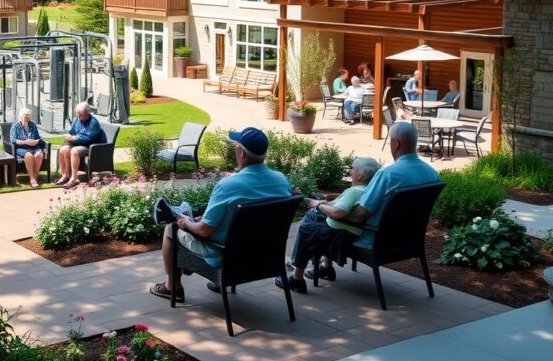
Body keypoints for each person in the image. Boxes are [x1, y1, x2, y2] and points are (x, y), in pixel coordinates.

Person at [149, 127, 292, 301]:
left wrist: (186, 222)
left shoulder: (228, 186)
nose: (234, 149)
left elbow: (204, 231)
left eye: (236, 145)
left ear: (242, 153)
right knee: (218, 224)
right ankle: (215, 282)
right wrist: (197, 219)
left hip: (225, 257)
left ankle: (173, 287)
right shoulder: (281, 180)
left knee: (171, 230)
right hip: (266, 255)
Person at [308, 122, 440, 251]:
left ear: (396, 143)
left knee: (313, 221)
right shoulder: (432, 174)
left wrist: (336, 213)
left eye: (390, 142)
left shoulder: (386, 175)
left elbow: (360, 215)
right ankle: (325, 264)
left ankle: (314, 267)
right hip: (409, 238)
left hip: (375, 239)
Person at [276, 157, 381, 294]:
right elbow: (338, 205)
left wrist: (318, 205)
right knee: (313, 217)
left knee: (306, 228)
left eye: (352, 168)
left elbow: (337, 212)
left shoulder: (354, 192)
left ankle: (297, 279)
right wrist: (318, 203)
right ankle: (326, 268)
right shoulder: (370, 191)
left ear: (360, 175)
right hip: (354, 231)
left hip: (341, 234)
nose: (350, 171)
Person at [55, 102, 107, 188]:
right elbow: (72, 132)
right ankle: (65, 176)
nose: (79, 117)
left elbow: (88, 138)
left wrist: (75, 138)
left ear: (88, 112)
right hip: (81, 144)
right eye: (78, 114)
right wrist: (69, 136)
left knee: (74, 151)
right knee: (63, 149)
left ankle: (73, 179)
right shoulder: (77, 120)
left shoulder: (93, 123)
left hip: (93, 147)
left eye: (81, 115)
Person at [10, 108, 45, 188]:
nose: (28, 117)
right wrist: (26, 142)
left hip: (34, 146)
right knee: (29, 155)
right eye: (26, 116)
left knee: (39, 155)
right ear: (21, 116)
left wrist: (36, 141)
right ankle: (32, 179)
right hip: (21, 147)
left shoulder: (33, 124)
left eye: (29, 115)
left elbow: (37, 137)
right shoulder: (15, 125)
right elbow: (13, 140)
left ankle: (35, 177)